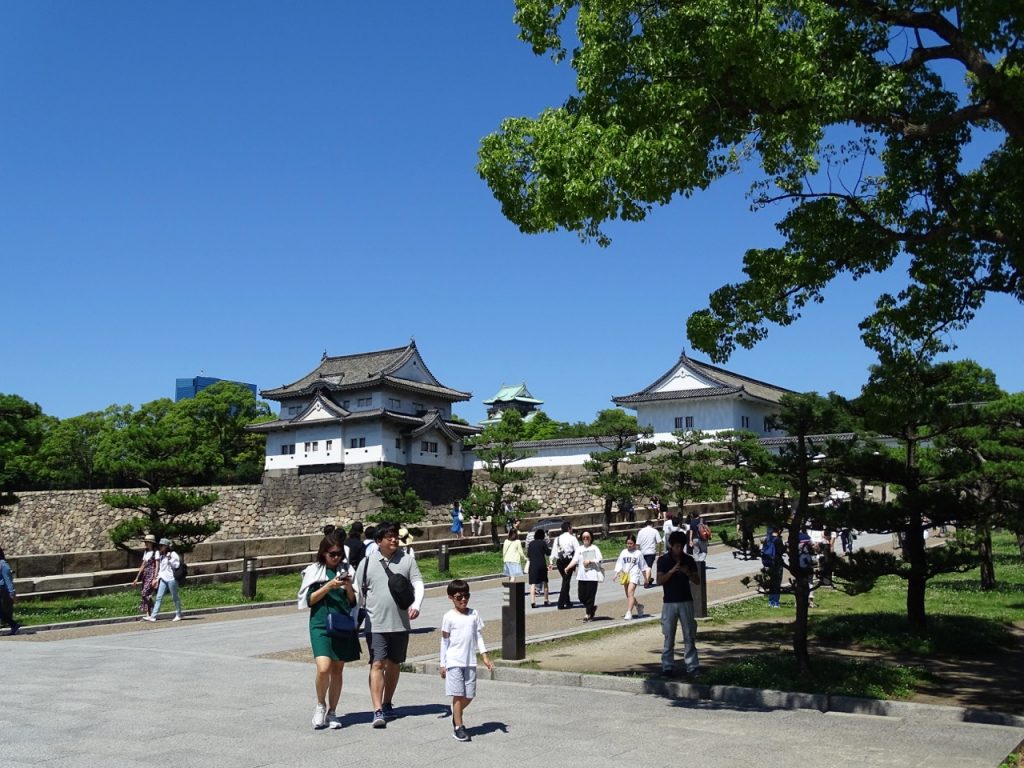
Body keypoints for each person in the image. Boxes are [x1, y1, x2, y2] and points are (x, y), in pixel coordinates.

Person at [354, 521, 425, 728]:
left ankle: (387, 702)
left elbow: (418, 583)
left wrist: (416, 604)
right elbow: (358, 593)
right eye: (389, 537)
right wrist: (352, 620)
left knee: (394, 664)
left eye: (395, 536)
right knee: (377, 663)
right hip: (375, 622)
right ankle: (377, 709)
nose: (394, 539)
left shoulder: (407, 560)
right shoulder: (366, 562)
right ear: (379, 541)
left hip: (400, 622)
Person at [298, 533, 360, 730]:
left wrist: (348, 587)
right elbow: (309, 600)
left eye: (339, 554)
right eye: (332, 554)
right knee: (323, 667)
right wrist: (328, 586)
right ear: (323, 553)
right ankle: (320, 705)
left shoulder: (347, 569)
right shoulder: (314, 571)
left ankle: (333, 711)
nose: (336, 558)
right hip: (320, 623)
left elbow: (353, 602)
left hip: (341, 622)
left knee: (338, 669)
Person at [439, 579, 493, 742]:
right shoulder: (448, 617)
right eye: (459, 597)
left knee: (469, 695)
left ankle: (455, 712)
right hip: (454, 661)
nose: (463, 600)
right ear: (451, 598)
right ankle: (458, 726)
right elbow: (444, 641)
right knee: (458, 694)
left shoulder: (473, 614)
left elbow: (478, 635)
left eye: (466, 596)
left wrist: (484, 655)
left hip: (470, 661)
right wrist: (443, 663)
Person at [656, 530, 700, 677]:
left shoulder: (689, 560)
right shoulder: (664, 560)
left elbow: (697, 580)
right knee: (668, 635)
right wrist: (672, 571)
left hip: (686, 600)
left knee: (689, 634)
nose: (679, 549)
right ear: (671, 546)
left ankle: (692, 666)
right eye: (676, 546)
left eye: (681, 546)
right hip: (669, 601)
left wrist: (688, 573)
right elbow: (659, 580)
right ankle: (667, 666)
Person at [144, 538, 182, 622]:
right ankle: (153, 616)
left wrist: (170, 559)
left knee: (175, 597)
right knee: (159, 597)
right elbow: (162, 569)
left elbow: (177, 565)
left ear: (166, 546)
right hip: (163, 579)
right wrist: (157, 579)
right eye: (159, 546)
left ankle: (178, 614)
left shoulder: (172, 554)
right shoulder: (161, 556)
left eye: (162, 546)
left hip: (172, 579)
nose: (160, 547)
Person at [613, 534, 649, 620]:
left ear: (635, 544)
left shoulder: (638, 553)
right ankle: (639, 606)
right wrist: (616, 574)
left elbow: (643, 567)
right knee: (629, 595)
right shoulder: (624, 552)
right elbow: (619, 563)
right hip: (626, 575)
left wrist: (646, 578)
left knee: (630, 592)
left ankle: (629, 612)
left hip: (634, 574)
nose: (629, 545)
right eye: (628, 543)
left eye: (631, 543)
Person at [573, 530, 603, 621]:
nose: (585, 539)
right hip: (582, 576)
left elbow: (600, 559)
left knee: (590, 596)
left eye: (587, 537)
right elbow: (575, 560)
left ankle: (588, 614)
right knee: (581, 596)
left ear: (591, 538)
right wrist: (568, 567)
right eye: (584, 537)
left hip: (592, 575)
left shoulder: (595, 548)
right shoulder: (579, 549)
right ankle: (591, 608)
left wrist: (591, 561)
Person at [550, 521, 580, 610]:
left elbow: (554, 552)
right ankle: (561, 603)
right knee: (566, 582)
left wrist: (551, 562)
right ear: (568, 529)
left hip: (560, 561)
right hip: (568, 561)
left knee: (565, 580)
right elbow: (578, 550)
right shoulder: (572, 538)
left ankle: (567, 601)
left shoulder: (557, 539)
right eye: (571, 528)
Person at [130, 534, 160, 618]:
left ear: (151, 543)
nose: (146, 543)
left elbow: (157, 565)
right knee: (145, 594)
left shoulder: (156, 552)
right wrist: (137, 578)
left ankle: (154, 608)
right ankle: (149, 613)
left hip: (152, 574)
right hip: (145, 574)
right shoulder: (146, 552)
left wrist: (155, 577)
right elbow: (143, 565)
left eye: (147, 542)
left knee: (145, 593)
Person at [526, 529, 550, 608]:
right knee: (545, 582)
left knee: (533, 584)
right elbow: (547, 552)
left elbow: (528, 555)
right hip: (542, 564)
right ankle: (546, 600)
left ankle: (533, 602)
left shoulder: (531, 544)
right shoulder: (543, 543)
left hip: (533, 566)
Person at [0, 544, 21, 636]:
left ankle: (14, 624)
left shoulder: (3, 564)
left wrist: (12, 592)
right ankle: (14, 624)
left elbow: (7, 578)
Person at [635, 518, 662, 588]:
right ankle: (646, 581)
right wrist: (659, 553)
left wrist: (637, 553)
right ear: (652, 525)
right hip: (651, 552)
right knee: (649, 567)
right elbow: (659, 542)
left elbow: (637, 544)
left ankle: (649, 579)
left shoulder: (640, 532)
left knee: (644, 567)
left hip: (642, 552)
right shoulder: (654, 531)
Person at [762, 527, 784, 608]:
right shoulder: (778, 540)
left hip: (769, 563)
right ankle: (776, 602)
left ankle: (770, 601)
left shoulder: (767, 539)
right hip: (777, 563)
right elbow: (781, 551)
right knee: (777, 583)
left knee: (771, 582)